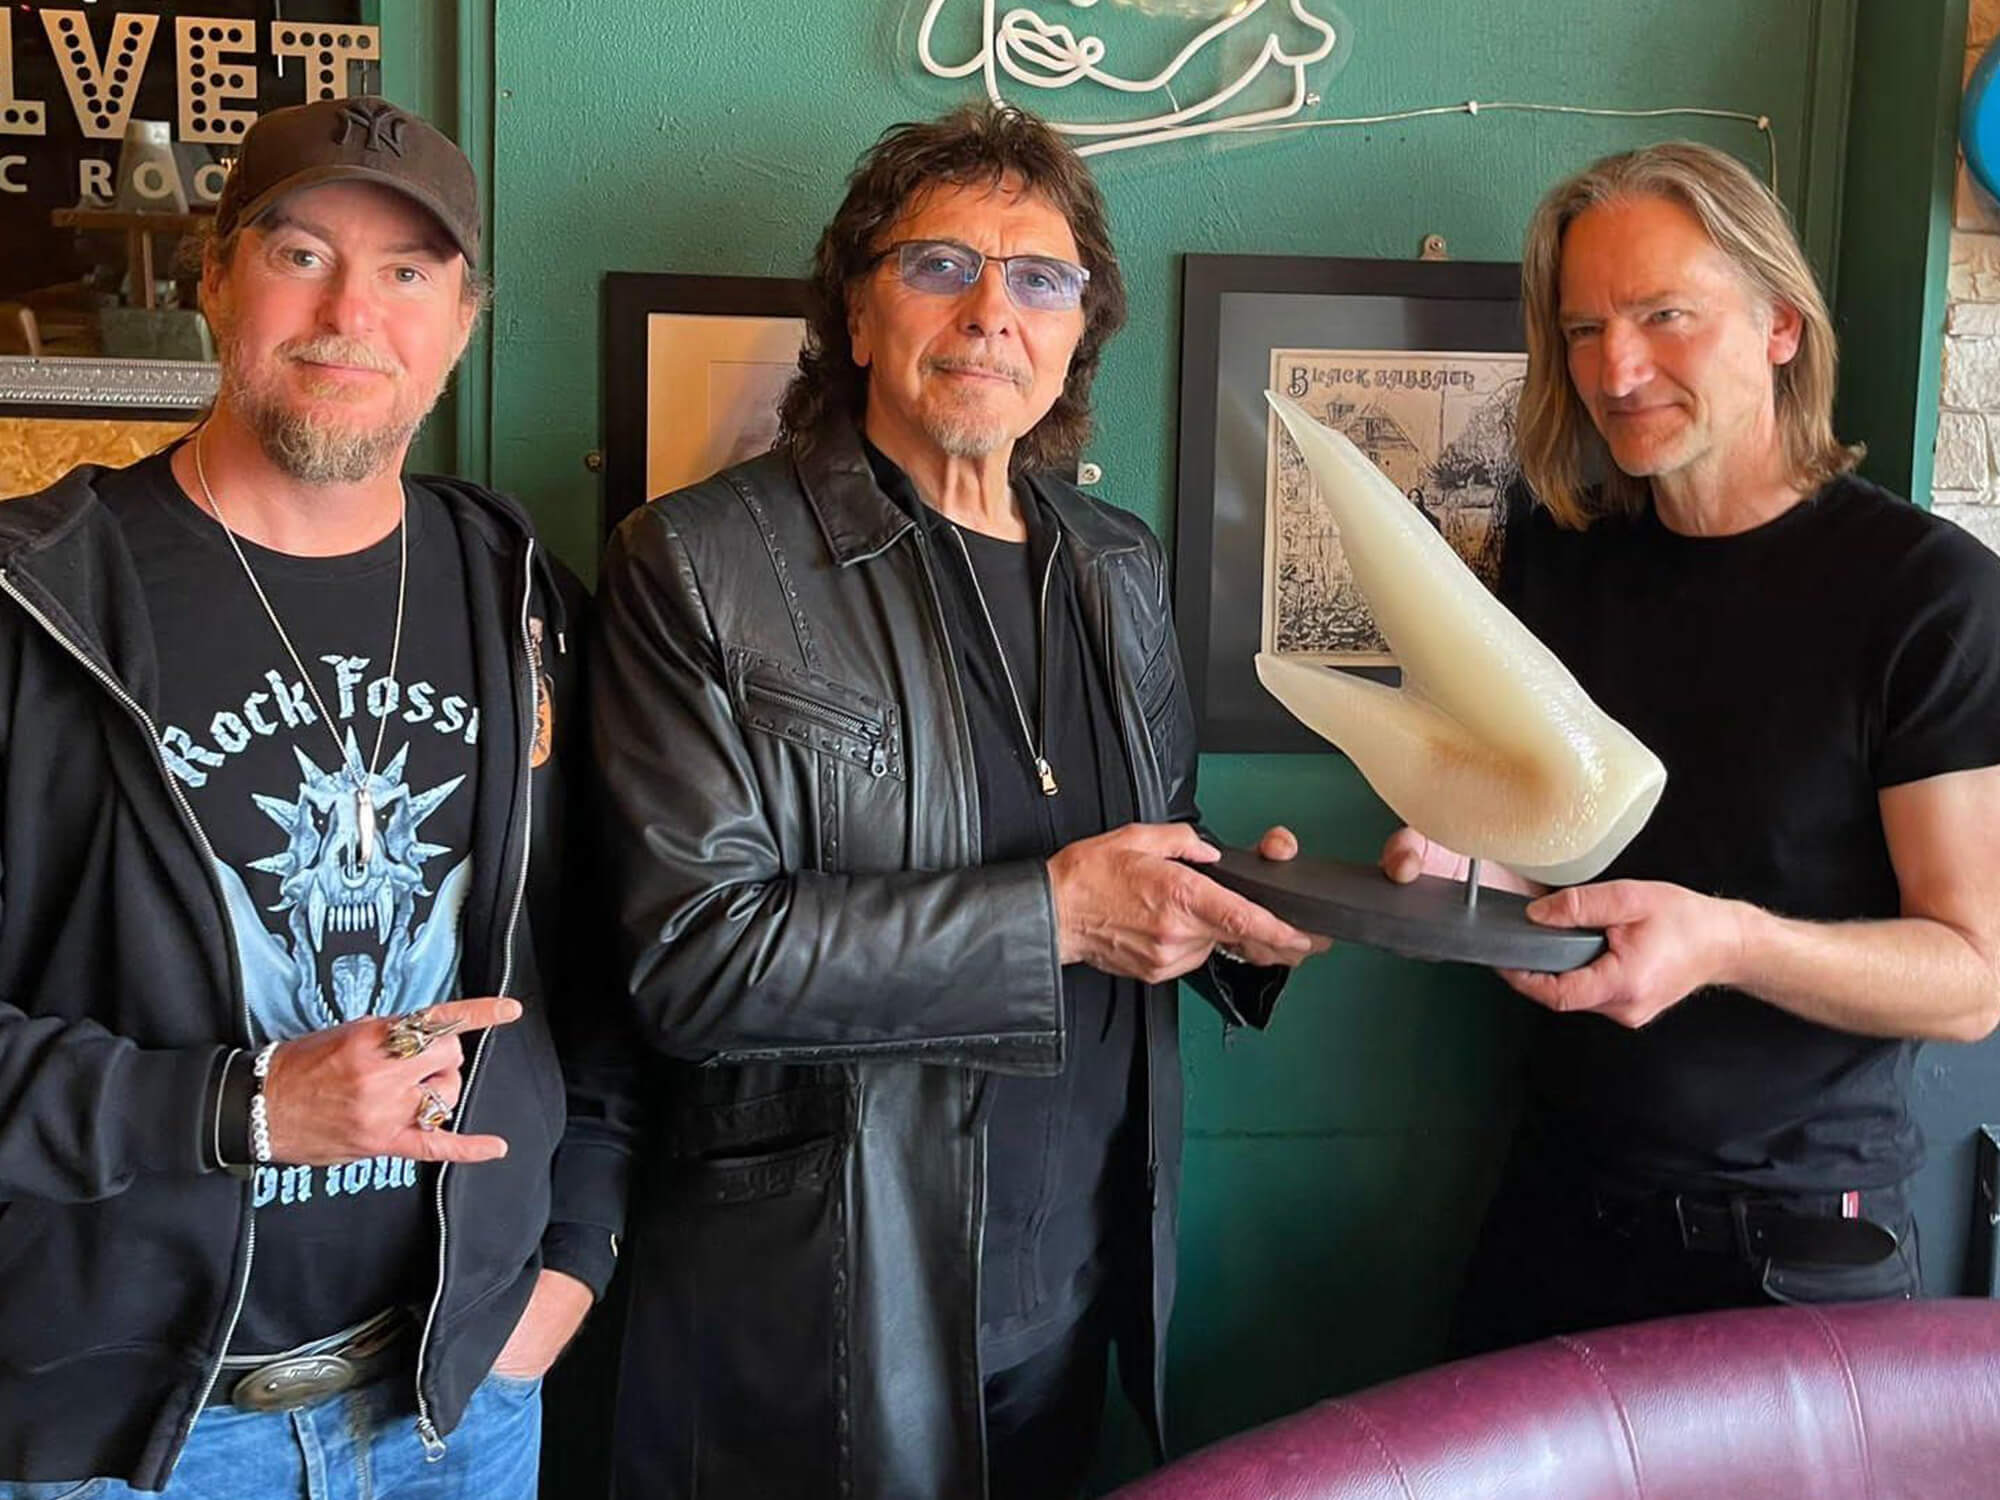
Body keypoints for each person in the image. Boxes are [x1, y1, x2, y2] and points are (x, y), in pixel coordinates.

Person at [592, 103, 1324, 1499]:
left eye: (1040, 278)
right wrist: (1050, 917)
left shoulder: (1120, 563)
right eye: (939, 265)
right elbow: (689, 964)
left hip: (1086, 1290)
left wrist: (1251, 913)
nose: (994, 308)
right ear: (858, 319)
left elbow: (1153, 850)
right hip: (834, 1322)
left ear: (1078, 334)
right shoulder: (698, 562)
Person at [0, 97, 626, 1496]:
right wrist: (244, 1108)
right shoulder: (35, 604)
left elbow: (595, 968)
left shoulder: (523, 601)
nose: (353, 311)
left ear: (462, 319)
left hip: (457, 1410)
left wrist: (575, 1260)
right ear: (216, 276)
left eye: (407, 273)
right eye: (301, 255)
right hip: (132, 1445)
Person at [1384, 141, 2000, 1351]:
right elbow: (1550, 861)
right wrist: (1475, 885)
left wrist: (1721, 941)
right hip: (1552, 1209)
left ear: (1778, 324)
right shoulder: (1556, 557)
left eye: (1664, 315)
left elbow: (1972, 978)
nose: (1614, 369)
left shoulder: (1927, 594)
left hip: (1788, 1251)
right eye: (1580, 329)